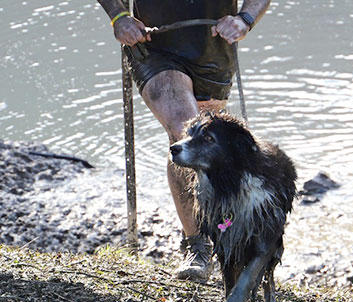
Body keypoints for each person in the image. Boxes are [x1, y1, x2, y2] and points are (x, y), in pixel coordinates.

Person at [96, 0, 271, 282]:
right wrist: (119, 17)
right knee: (187, 134)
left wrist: (245, 19)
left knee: (212, 142)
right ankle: (197, 245)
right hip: (154, 46)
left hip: (213, 46)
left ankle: (228, 231)